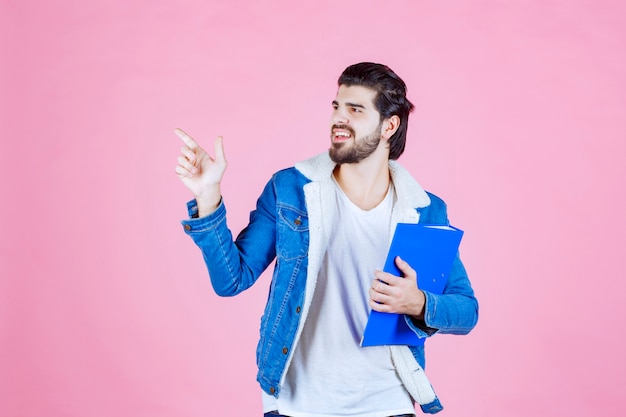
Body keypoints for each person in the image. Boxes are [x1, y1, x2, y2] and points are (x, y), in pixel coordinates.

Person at [174, 62, 478, 417]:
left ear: (388, 126)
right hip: (297, 404)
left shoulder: (423, 209)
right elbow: (231, 279)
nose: (339, 118)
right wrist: (208, 197)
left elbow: (466, 311)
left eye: (355, 110)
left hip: (388, 403)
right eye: (336, 106)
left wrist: (419, 303)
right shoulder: (291, 189)